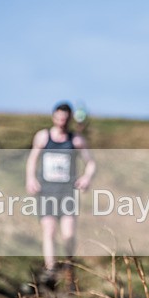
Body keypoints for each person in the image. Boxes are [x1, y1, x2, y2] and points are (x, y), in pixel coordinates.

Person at [25, 102, 96, 288]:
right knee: (49, 231)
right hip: (46, 192)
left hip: (67, 194)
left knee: (68, 235)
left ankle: (70, 268)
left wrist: (86, 178)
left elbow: (90, 163)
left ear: (70, 119)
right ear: (53, 117)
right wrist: (30, 178)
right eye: (59, 119)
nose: (62, 123)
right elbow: (32, 159)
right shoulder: (42, 137)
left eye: (65, 119)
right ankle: (50, 271)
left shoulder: (76, 140)